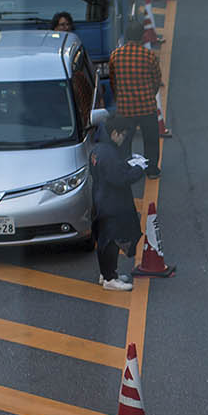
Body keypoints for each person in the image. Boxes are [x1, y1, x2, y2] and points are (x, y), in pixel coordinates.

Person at [89, 115, 146, 291]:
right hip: (111, 204)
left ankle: (105, 273)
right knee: (111, 241)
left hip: (100, 200)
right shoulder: (109, 154)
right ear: (115, 133)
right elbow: (120, 178)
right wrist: (139, 168)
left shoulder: (98, 149)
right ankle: (110, 279)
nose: (124, 139)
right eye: (123, 135)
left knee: (104, 240)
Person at [106, 35, 164, 177]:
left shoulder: (115, 55)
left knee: (125, 141)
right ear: (141, 37)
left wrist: (119, 98)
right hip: (147, 107)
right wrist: (150, 94)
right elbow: (157, 79)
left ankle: (126, 168)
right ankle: (151, 170)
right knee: (151, 140)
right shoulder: (149, 55)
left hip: (125, 109)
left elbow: (112, 82)